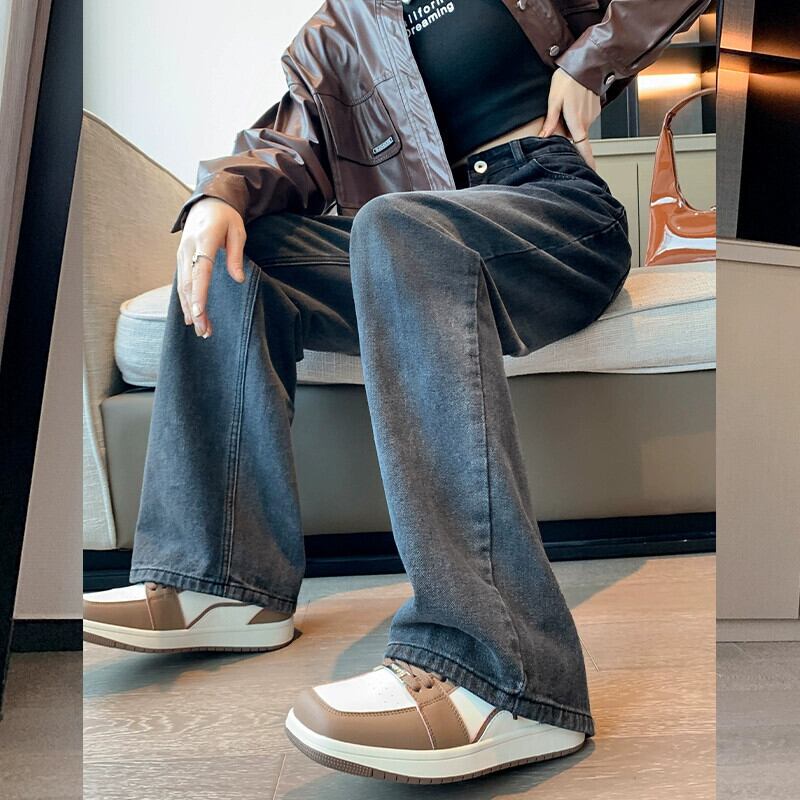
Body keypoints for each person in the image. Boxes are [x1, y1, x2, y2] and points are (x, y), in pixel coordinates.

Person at [83, 0, 712, 783]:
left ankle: (505, 676)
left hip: (548, 208)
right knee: (243, 252)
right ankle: (219, 582)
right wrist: (220, 195)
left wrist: (592, 62)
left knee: (396, 226)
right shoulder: (336, 32)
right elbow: (284, 144)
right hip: (418, 232)